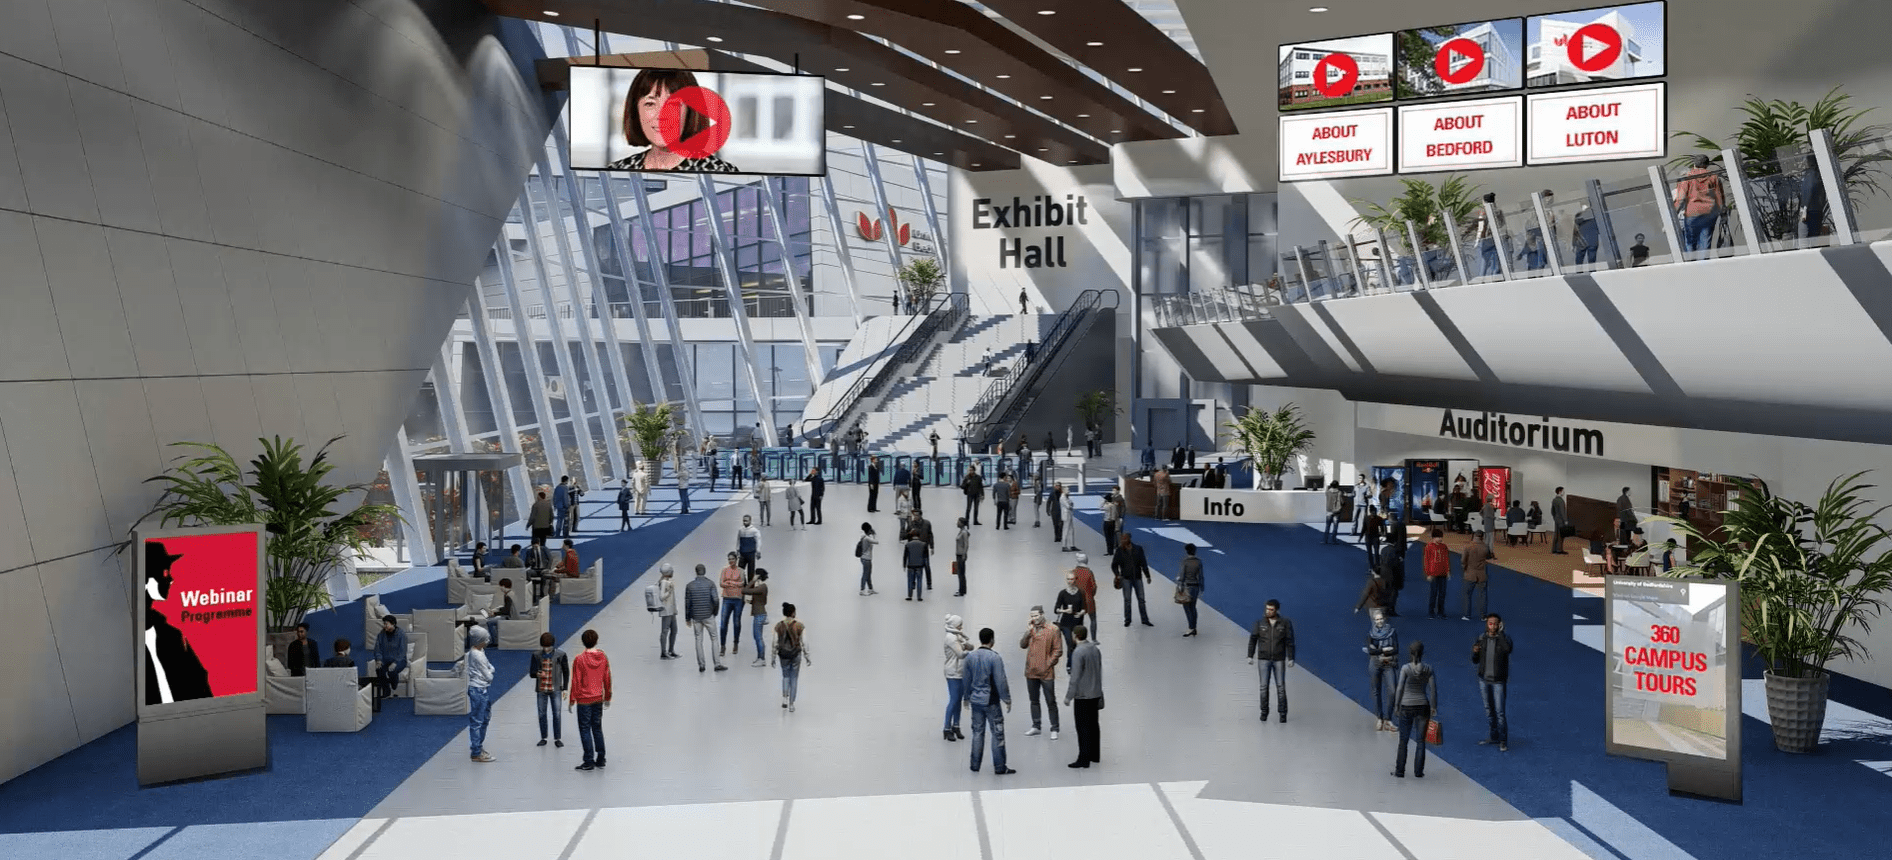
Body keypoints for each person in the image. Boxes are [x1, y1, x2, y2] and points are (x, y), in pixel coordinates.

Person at [607, 69, 741, 172]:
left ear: (690, 111)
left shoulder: (721, 172)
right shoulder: (616, 171)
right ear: (636, 112)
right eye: (650, 104)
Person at [962, 627, 1015, 775]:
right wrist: (1007, 698)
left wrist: (966, 698)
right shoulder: (995, 658)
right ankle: (999, 767)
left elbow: (966, 679)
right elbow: (1000, 680)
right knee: (997, 733)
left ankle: (974, 765)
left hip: (975, 702)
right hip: (991, 702)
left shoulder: (970, 657)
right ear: (992, 639)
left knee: (977, 733)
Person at [1391, 640, 1437, 778]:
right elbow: (1433, 690)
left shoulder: (1406, 668)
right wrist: (1434, 706)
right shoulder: (1428, 669)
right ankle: (1418, 771)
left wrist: (1396, 705)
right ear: (1422, 653)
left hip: (1406, 706)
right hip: (1423, 706)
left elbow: (1399, 688)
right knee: (1421, 741)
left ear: (1410, 653)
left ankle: (1400, 771)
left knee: (1403, 741)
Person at [568, 628, 611, 770]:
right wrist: (608, 696)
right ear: (596, 640)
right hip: (598, 698)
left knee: (585, 729)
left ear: (583, 642)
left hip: (584, 700)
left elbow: (576, 681)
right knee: (597, 728)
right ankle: (601, 758)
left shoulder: (579, 660)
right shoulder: (603, 657)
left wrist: (572, 699)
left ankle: (588, 760)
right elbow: (607, 677)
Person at [1246, 599, 1295, 722]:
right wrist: (1250, 655)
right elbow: (1253, 640)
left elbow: (1290, 641)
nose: (1268, 611)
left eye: (1271, 609)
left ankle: (1283, 714)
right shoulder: (1259, 623)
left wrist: (1291, 657)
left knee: (1281, 687)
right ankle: (1264, 712)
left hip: (1279, 659)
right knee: (1263, 687)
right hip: (1263, 659)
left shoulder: (1285, 623)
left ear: (1276, 610)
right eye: (1267, 609)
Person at [1019, 606, 1064, 740]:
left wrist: (1048, 664)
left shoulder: (1053, 629)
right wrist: (1027, 633)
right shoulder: (1031, 630)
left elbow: (1058, 650)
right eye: (1032, 616)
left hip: (1046, 672)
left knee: (1051, 700)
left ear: (1042, 614)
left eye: (1036, 615)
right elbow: (1022, 645)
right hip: (1031, 671)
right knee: (1034, 700)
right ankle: (1036, 726)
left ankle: (1054, 727)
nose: (1034, 618)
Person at [1064, 625, 1103, 769]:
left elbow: (1075, 677)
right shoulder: (1095, 649)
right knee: (1094, 725)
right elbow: (1099, 671)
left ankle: (1083, 758)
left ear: (1075, 636)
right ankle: (1095, 755)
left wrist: (1069, 696)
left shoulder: (1078, 652)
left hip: (1082, 696)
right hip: (1095, 693)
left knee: (1082, 727)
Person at [1672, 154, 1726, 254]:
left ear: (1694, 163)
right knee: (1705, 242)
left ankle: (1692, 265)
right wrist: (1723, 214)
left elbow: (1681, 198)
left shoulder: (1687, 177)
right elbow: (1719, 197)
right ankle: (1703, 266)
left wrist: (1673, 214)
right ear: (1707, 164)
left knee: (1690, 242)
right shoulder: (1714, 177)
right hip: (1710, 213)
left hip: (1692, 212)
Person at [1473, 613, 1512, 751]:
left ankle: (1503, 740)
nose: (1493, 626)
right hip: (1483, 680)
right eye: (1490, 623)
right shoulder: (1481, 638)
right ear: (1486, 624)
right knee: (1489, 710)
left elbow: (1508, 649)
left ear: (1500, 625)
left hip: (1498, 682)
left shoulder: (1505, 639)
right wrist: (1475, 652)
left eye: (1496, 624)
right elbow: (1475, 660)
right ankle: (1494, 736)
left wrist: (1500, 634)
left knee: (1500, 712)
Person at [527, 631, 569, 749]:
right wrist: (537, 674)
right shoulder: (536, 655)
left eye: (548, 646)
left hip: (556, 689)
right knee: (542, 714)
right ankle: (543, 737)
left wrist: (565, 688)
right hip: (541, 689)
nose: (546, 649)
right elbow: (532, 673)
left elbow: (566, 672)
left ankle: (557, 738)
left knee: (557, 714)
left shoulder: (560, 655)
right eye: (544, 647)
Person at [462, 624, 496, 762]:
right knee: (477, 721)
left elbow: (490, 668)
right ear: (479, 640)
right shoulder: (477, 656)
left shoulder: (480, 652)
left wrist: (490, 671)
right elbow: (489, 675)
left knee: (485, 718)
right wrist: (490, 672)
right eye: (485, 639)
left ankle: (478, 747)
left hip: (482, 690)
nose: (487, 641)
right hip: (478, 691)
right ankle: (476, 752)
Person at [685, 564, 726, 672]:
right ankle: (717, 664)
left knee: (698, 639)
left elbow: (688, 603)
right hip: (709, 615)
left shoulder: (690, 586)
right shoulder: (710, 584)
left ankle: (701, 665)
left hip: (696, 616)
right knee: (714, 638)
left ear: (696, 572)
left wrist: (687, 618)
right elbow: (716, 600)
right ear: (705, 571)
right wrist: (715, 612)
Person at [1364, 608, 1400, 732]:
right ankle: (1379, 717)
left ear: (1384, 619)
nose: (1379, 621)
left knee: (1393, 691)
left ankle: (1388, 719)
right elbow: (1370, 650)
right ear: (1374, 621)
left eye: (1380, 619)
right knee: (1376, 691)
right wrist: (1384, 650)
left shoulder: (1392, 631)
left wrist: (1377, 650)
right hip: (1375, 664)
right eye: (1376, 619)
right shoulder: (1371, 634)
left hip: (1388, 664)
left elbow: (1396, 649)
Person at [771, 603, 810, 712]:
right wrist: (807, 656)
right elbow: (805, 642)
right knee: (794, 679)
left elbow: (775, 643)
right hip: (796, 654)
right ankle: (791, 704)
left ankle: (784, 698)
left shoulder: (778, 626)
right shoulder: (799, 626)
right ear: (793, 613)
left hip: (783, 654)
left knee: (785, 676)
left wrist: (773, 657)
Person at [1111, 531, 1154, 627]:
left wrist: (1147, 575)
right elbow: (1114, 565)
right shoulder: (1119, 551)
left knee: (1141, 600)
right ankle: (1127, 620)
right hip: (1126, 578)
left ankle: (1145, 619)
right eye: (1122, 539)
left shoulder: (1138, 549)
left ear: (1129, 539)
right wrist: (1117, 575)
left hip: (1137, 578)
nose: (1122, 540)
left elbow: (1143, 563)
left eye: (1124, 538)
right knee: (1127, 600)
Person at [943, 615, 972, 742]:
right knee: (954, 700)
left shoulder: (958, 636)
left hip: (960, 672)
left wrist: (966, 645)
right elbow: (960, 654)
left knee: (958, 700)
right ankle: (947, 728)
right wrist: (969, 651)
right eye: (960, 625)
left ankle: (956, 725)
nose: (962, 627)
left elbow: (969, 645)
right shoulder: (951, 638)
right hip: (953, 672)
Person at [372, 615, 408, 707]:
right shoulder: (381, 634)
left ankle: (394, 684)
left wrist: (395, 662)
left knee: (392, 671)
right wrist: (379, 660)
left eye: (386, 624)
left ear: (393, 624)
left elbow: (402, 652)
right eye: (384, 624)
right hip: (385, 659)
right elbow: (377, 649)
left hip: (399, 660)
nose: (384, 626)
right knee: (379, 670)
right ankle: (386, 691)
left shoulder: (401, 634)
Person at [1462, 530, 1495, 621]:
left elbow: (1463, 560)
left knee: (1467, 594)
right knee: (1483, 595)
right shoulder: (1485, 546)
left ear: (1474, 536)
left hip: (1470, 573)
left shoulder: (1468, 546)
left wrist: (1465, 567)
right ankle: (1483, 616)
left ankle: (1467, 615)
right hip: (1482, 573)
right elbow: (1489, 557)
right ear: (1482, 537)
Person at [745, 569, 771, 667]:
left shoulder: (762, 587)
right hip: (760, 613)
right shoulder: (762, 587)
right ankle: (760, 657)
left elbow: (745, 590)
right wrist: (751, 602)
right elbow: (762, 601)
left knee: (758, 637)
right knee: (757, 637)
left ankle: (762, 658)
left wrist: (752, 581)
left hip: (759, 615)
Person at [1071, 554, 1100, 644]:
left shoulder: (1073, 572)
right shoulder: (1089, 572)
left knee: (1079, 620)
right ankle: (1094, 639)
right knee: (1093, 619)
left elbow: (1071, 586)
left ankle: (1079, 638)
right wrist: (1091, 595)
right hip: (1088, 599)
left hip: (1077, 600)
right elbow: (1094, 586)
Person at [1423, 529, 1451, 618]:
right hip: (1433, 574)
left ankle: (1440, 612)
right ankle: (1431, 612)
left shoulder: (1444, 547)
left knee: (1442, 594)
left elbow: (1446, 559)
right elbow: (1426, 560)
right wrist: (1428, 573)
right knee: (1433, 593)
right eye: (1438, 537)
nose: (1440, 539)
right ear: (1433, 538)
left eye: (1441, 537)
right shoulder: (1429, 547)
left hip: (1443, 573)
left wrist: (1448, 571)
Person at [1178, 543, 1204, 636]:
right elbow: (1201, 576)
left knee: (1186, 607)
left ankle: (1191, 627)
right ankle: (1194, 627)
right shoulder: (1198, 562)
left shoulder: (1185, 562)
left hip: (1187, 587)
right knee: (1193, 607)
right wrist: (1202, 588)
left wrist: (1180, 586)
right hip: (1196, 587)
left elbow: (1182, 576)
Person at [656, 563, 679, 659]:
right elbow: (661, 597)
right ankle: (664, 652)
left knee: (674, 630)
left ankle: (670, 650)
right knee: (665, 631)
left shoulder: (667, 581)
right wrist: (669, 592)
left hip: (671, 610)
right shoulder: (664, 582)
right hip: (666, 610)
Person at [903, 527, 929, 602]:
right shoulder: (923, 544)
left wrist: (904, 565)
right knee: (919, 580)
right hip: (919, 565)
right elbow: (925, 556)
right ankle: (919, 596)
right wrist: (925, 565)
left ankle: (910, 596)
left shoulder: (908, 545)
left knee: (910, 581)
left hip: (911, 565)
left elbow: (905, 556)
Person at [856, 522, 879, 596]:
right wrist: (874, 534)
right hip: (867, 558)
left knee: (868, 574)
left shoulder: (864, 537)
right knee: (865, 574)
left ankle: (870, 589)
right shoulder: (867, 538)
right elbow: (876, 542)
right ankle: (862, 590)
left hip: (865, 558)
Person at [1323, 479, 1346, 544]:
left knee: (1327, 526)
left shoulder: (1328, 492)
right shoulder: (1339, 492)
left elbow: (1326, 492)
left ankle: (1325, 540)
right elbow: (1342, 501)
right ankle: (1333, 540)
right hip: (1337, 511)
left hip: (1329, 510)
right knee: (1335, 526)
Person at [953, 517, 971, 596]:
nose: (957, 523)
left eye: (958, 522)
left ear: (962, 523)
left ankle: (962, 590)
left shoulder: (964, 532)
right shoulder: (961, 531)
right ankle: (962, 589)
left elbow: (966, 544)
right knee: (959, 572)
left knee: (961, 573)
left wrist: (964, 554)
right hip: (958, 554)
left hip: (961, 555)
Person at [1550, 486, 1570, 555]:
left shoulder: (1554, 500)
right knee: (1561, 535)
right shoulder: (1561, 501)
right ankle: (1559, 550)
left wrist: (1555, 517)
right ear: (1560, 491)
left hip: (1556, 519)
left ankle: (1554, 549)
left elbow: (1552, 511)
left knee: (1556, 534)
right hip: (1561, 520)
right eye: (1563, 491)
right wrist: (1565, 520)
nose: (1564, 493)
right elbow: (1562, 512)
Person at [1059, 483, 1078, 552]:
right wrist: (1070, 505)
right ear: (1064, 491)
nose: (1069, 491)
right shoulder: (1062, 498)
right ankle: (1064, 546)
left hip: (1069, 514)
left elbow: (1071, 503)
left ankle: (1072, 545)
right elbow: (1068, 506)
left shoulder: (1067, 497)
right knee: (1066, 530)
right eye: (1068, 490)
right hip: (1066, 515)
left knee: (1071, 530)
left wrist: (1070, 504)